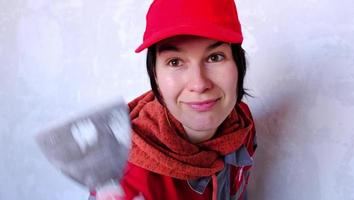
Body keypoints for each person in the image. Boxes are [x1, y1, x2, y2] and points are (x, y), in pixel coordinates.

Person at [95, 0, 257, 199]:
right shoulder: (124, 177)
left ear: (238, 65)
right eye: (175, 62)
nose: (199, 84)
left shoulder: (242, 125)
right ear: (155, 76)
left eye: (215, 57)